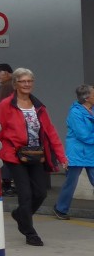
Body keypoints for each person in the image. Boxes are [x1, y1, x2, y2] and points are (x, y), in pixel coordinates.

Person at [0, 67, 67, 246]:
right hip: (14, 155)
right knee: (25, 194)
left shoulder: (39, 106)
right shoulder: (6, 105)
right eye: (23, 81)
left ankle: (21, 215)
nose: (27, 84)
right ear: (15, 84)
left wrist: (62, 157)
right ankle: (29, 232)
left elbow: (50, 132)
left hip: (36, 154)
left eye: (30, 81)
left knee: (40, 193)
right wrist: (2, 152)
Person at [54, 84, 94, 220]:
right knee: (71, 182)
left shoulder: (92, 110)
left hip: (90, 151)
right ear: (87, 98)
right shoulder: (75, 113)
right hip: (77, 152)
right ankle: (60, 208)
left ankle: (60, 208)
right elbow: (83, 135)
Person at [0, 63, 17, 196]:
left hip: (6, 126)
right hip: (11, 126)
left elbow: (0, 106)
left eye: (0, 73)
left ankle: (6, 185)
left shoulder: (6, 87)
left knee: (5, 156)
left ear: (9, 73)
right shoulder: (11, 86)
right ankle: (8, 184)